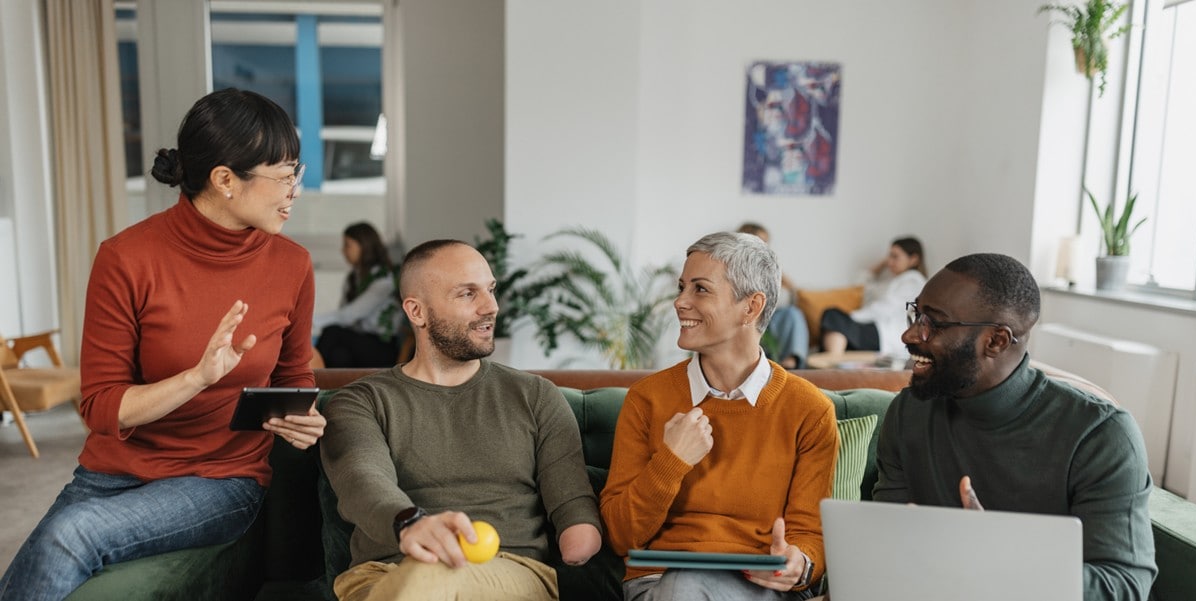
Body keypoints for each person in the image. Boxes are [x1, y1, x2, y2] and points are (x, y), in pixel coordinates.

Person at [0, 88, 327, 601]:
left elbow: (293, 376)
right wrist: (197, 377)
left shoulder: (292, 265)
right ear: (225, 180)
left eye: (297, 173)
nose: (295, 190)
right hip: (111, 474)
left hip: (221, 479)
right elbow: (101, 407)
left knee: (71, 534)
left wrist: (302, 418)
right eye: (285, 176)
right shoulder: (126, 258)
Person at [320, 239, 603, 601]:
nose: (491, 307)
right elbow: (363, 481)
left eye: (491, 289)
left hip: (509, 570)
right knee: (427, 575)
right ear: (417, 311)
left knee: (436, 576)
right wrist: (413, 524)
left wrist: (579, 532)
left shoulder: (535, 396)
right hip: (385, 575)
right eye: (468, 294)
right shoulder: (360, 402)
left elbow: (571, 501)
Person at [873, 253, 1156, 601]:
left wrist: (1001, 556)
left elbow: (1124, 587)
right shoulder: (909, 412)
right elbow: (883, 540)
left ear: (997, 341)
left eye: (935, 323)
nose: (910, 333)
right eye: (916, 313)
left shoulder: (1100, 434)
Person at [601, 231, 838, 600]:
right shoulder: (646, 399)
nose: (680, 302)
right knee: (684, 584)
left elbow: (809, 535)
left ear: (751, 307)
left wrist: (798, 564)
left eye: (700, 289)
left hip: (762, 590)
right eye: (682, 287)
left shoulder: (808, 409)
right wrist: (671, 461)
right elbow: (619, 535)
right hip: (660, 584)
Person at [314, 221, 405, 367]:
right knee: (339, 355)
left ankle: (308, 377)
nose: (343, 251)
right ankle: (328, 387)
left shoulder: (383, 278)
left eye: (347, 245)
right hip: (359, 343)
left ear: (364, 246)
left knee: (332, 332)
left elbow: (349, 315)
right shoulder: (353, 277)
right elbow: (345, 317)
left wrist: (309, 321)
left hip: (381, 347)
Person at [819, 236, 925, 358]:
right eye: (888, 257)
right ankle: (834, 363)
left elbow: (883, 309)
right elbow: (859, 286)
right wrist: (882, 264)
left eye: (895, 257)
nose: (889, 262)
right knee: (833, 325)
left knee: (832, 316)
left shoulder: (913, 280)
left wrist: (850, 318)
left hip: (883, 336)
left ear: (913, 259)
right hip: (875, 331)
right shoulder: (891, 281)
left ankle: (832, 364)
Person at [736, 222, 809, 368]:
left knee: (793, 314)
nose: (764, 246)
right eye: (759, 241)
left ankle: (792, 360)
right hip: (748, 316)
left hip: (772, 317)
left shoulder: (769, 267)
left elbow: (794, 293)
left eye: (766, 242)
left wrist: (779, 274)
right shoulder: (735, 266)